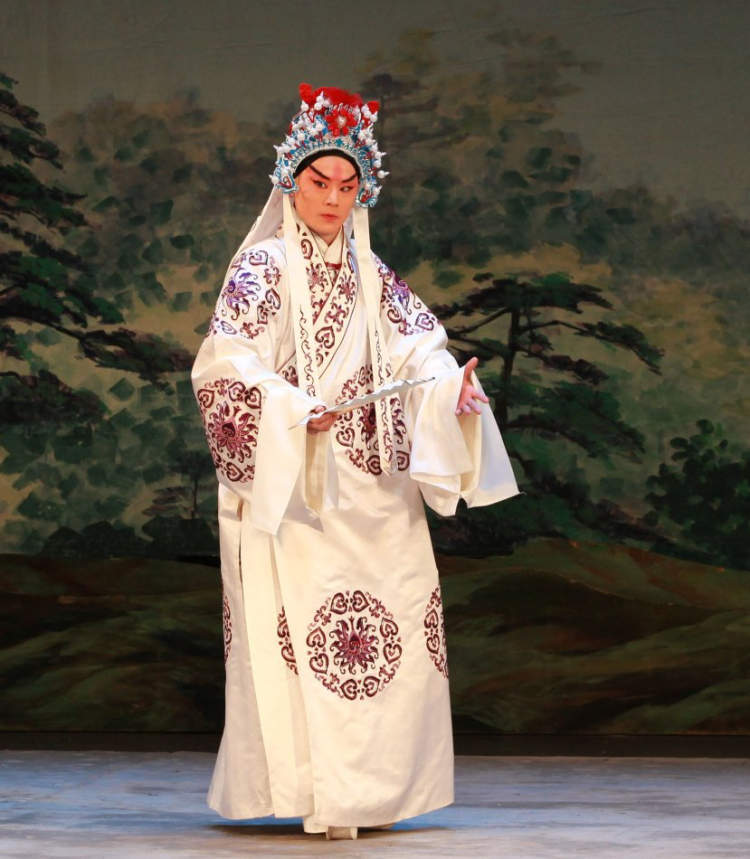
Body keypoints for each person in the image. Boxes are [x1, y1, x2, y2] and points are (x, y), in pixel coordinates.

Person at [191, 83, 519, 841]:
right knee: (304, 642)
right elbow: (226, 364)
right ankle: (318, 793)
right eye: (320, 182)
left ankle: (375, 793)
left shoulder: (373, 273)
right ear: (291, 181)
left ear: (362, 191)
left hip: (375, 484)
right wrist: (294, 411)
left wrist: (452, 389)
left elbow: (420, 352)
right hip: (297, 481)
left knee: (391, 628)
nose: (333, 199)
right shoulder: (262, 269)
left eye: (347, 186)